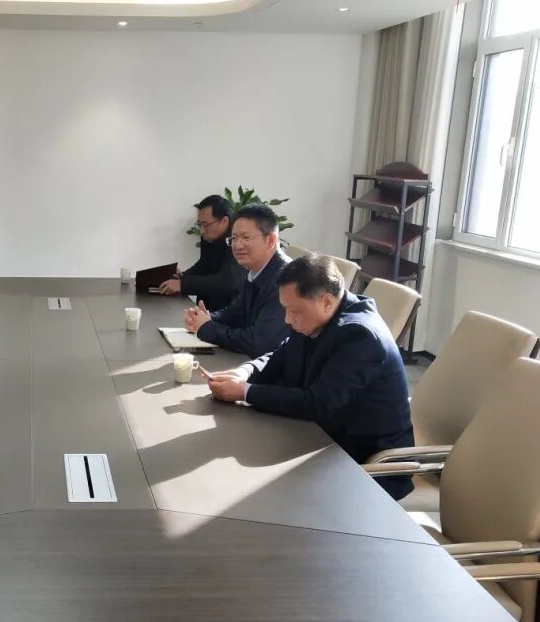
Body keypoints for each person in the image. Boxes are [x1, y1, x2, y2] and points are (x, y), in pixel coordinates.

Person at [206, 255, 414, 499]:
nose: (287, 319)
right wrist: (245, 372)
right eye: (285, 309)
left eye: (293, 311)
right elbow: (281, 354)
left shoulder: (360, 335)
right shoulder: (315, 317)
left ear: (326, 301)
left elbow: (317, 403)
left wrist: (244, 391)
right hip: (320, 439)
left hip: (365, 462)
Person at [182, 203, 291, 356]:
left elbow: (259, 343)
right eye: (234, 238)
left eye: (246, 237)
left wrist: (207, 328)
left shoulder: (286, 279)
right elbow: (234, 313)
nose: (237, 246)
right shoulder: (256, 269)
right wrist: (206, 317)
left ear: (271, 240)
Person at [158, 194, 245, 311]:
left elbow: (228, 282)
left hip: (230, 312)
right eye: (199, 225)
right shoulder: (209, 236)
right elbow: (204, 264)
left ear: (224, 221)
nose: (202, 231)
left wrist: (183, 284)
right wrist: (183, 276)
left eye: (206, 225)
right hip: (206, 310)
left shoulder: (238, 242)